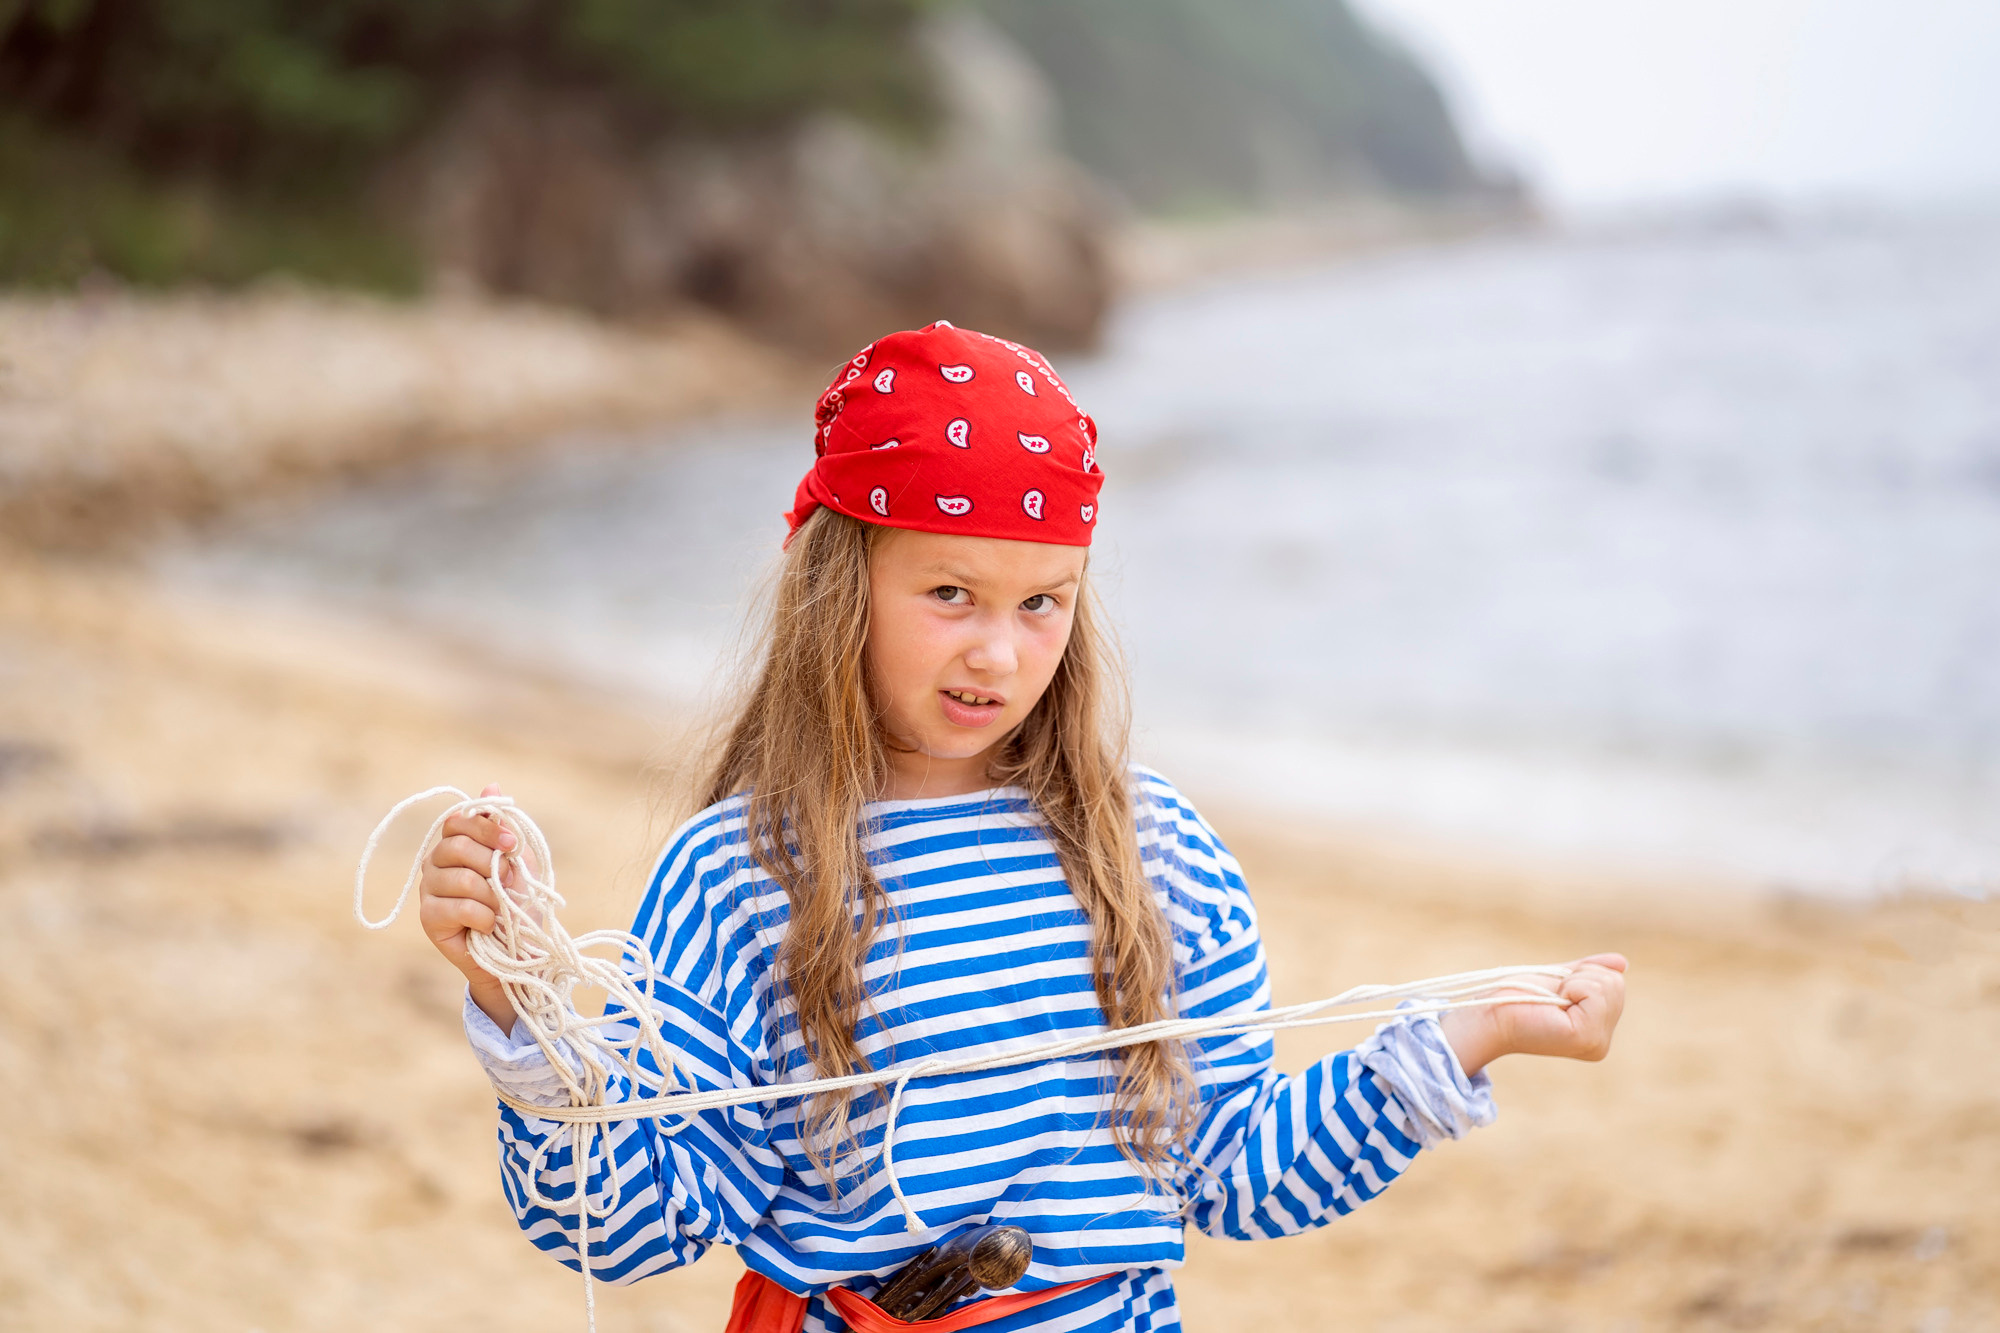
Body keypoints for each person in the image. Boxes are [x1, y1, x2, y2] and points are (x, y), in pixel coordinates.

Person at [416, 322, 1628, 1332]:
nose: (997, 653)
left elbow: (1235, 1174)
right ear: (843, 585)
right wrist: (522, 1012)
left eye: (1040, 601)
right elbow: (625, 1227)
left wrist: (1464, 1040)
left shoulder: (1154, 854)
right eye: (948, 593)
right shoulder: (739, 874)